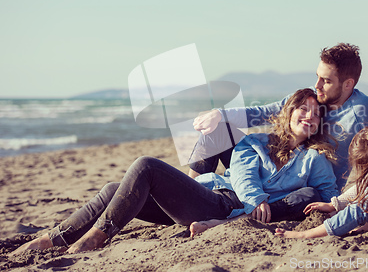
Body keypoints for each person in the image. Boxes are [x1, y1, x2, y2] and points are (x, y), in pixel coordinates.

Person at [9, 88, 338, 256]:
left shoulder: (314, 159)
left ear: (319, 123)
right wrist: (255, 199)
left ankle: (100, 234)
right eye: (302, 109)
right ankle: (50, 240)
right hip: (211, 196)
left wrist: (333, 204)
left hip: (224, 207)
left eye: (314, 113)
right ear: (288, 112)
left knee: (146, 166)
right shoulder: (256, 142)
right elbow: (240, 171)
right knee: (113, 189)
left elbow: (326, 193)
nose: (308, 116)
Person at [189, 43, 368, 191]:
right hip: (271, 168)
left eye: (326, 81)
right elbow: (263, 113)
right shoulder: (311, 98)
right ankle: (190, 189)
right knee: (218, 126)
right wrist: (219, 114)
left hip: (303, 187)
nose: (317, 85)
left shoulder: (365, 111)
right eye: (317, 76)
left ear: (347, 84)